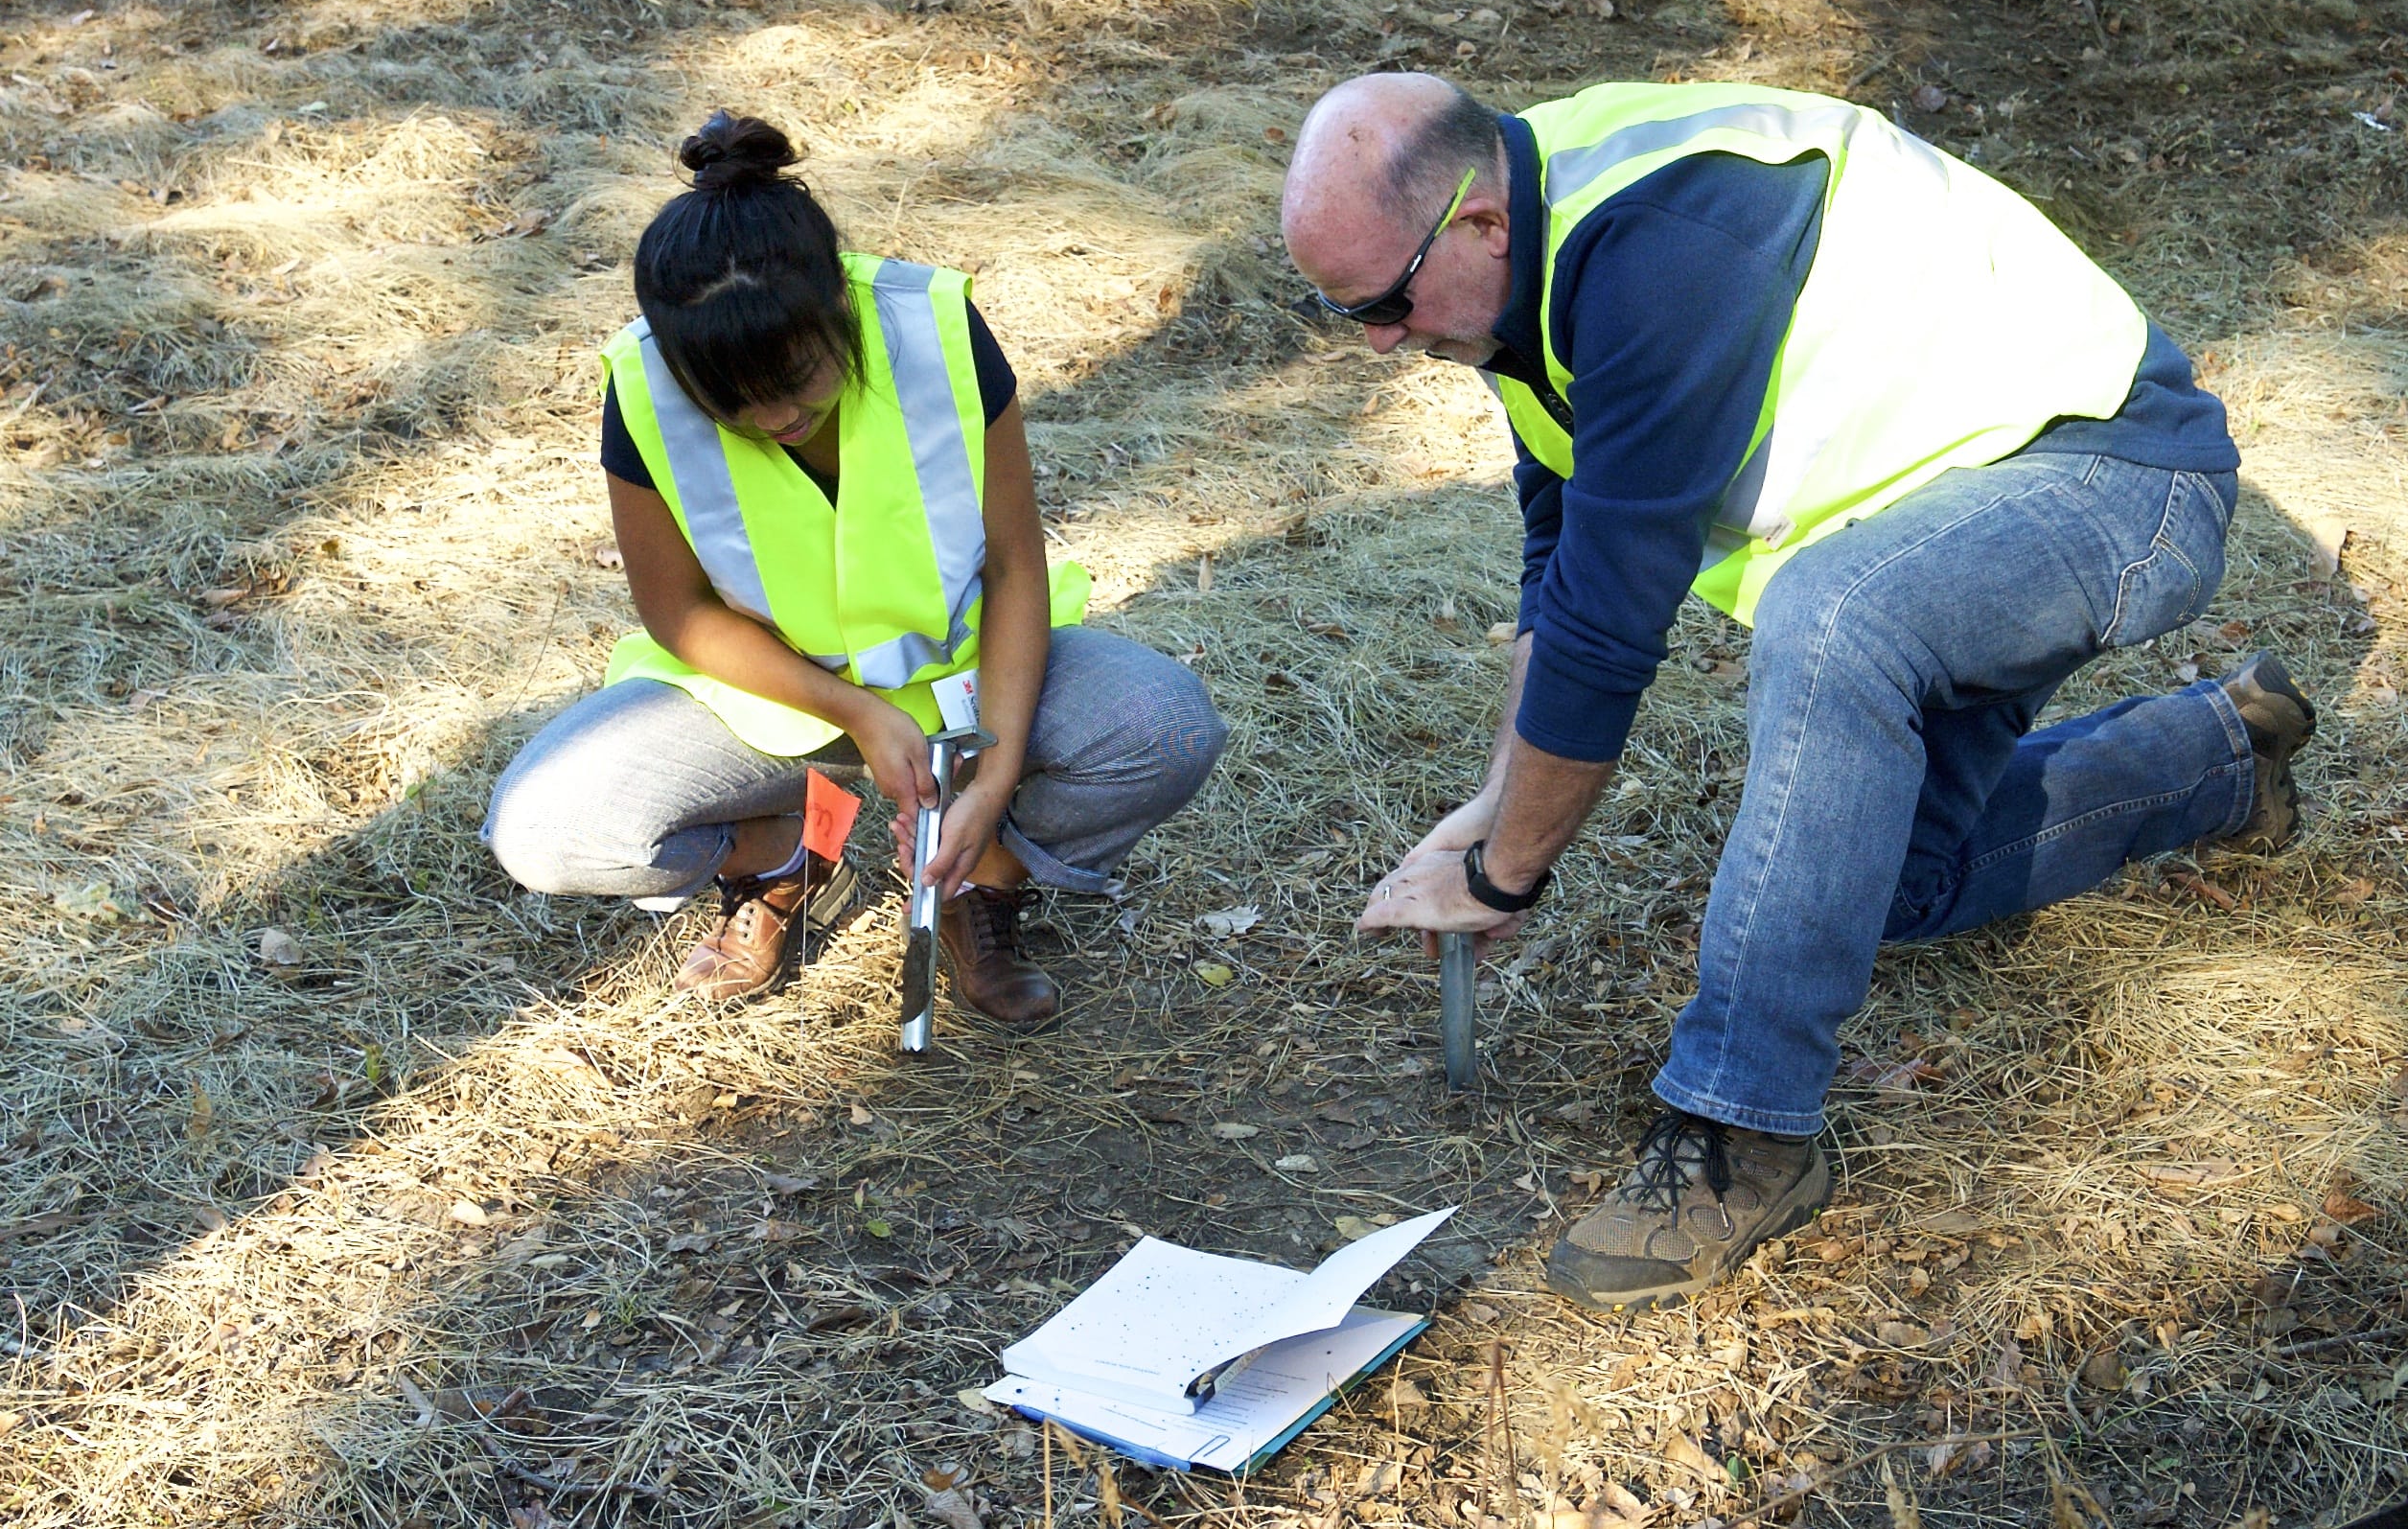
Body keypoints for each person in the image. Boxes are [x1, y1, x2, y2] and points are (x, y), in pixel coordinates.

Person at [1282, 74, 2315, 1312]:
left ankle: (1742, 1127)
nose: (1385, 344)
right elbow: (1558, 569)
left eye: (1387, 305)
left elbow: (1612, 631)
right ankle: (2219, 756)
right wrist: (1489, 806)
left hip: (2120, 472)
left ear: (1478, 224)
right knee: (1878, 886)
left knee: (1830, 619)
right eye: (1349, 317)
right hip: (1956, 500)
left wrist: (1510, 872)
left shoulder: (1648, 253)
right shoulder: (1518, 266)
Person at [486, 111, 1225, 1023]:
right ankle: (783, 850)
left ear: (838, 304)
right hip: (766, 702)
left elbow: (1014, 563)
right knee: (543, 829)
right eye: (730, 402)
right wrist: (854, 712)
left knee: (1168, 727)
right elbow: (676, 612)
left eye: (796, 377)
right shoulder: (640, 385)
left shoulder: (936, 329)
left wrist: (989, 786)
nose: (771, 418)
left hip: (958, 674)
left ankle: (975, 880)